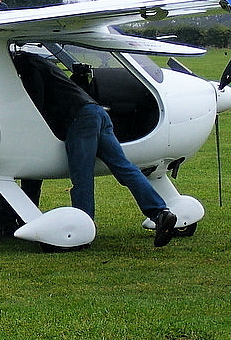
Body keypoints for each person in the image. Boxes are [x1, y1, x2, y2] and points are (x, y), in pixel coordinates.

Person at [10, 50, 178, 247]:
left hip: (79, 119)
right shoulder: (42, 63)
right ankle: (160, 212)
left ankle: (83, 229)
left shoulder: (27, 67)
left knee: (82, 176)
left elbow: (34, 104)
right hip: (97, 113)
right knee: (124, 167)